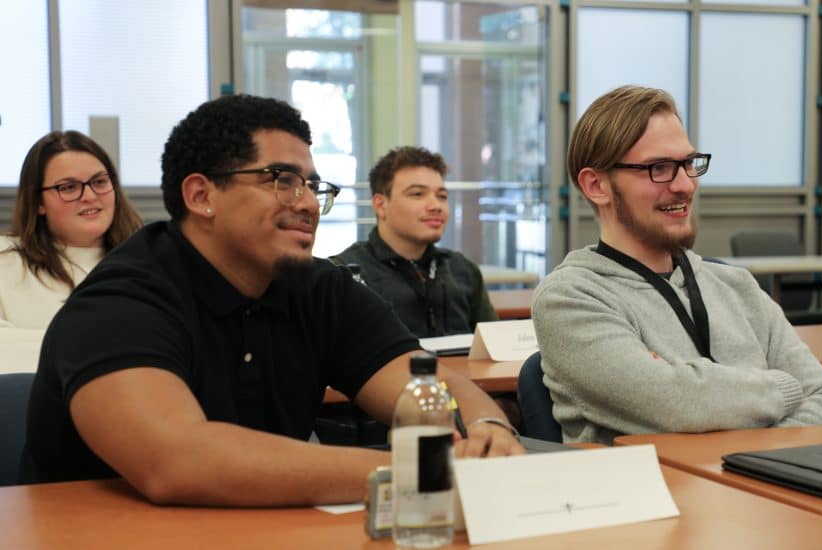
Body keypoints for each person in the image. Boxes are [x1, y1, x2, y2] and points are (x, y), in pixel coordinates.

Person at [21, 95, 523, 505]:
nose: (306, 203)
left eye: (311, 185)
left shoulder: (316, 287)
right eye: (281, 180)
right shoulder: (120, 301)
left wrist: (486, 427)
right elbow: (176, 462)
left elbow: (426, 388)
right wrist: (420, 467)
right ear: (201, 195)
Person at [532, 85, 822, 445]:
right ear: (596, 186)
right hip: (657, 499)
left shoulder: (737, 286)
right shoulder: (569, 298)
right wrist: (785, 386)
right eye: (660, 168)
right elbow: (675, 404)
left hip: (766, 496)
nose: (686, 185)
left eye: (689, 164)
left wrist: (714, 402)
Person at [0, 131, 142, 370]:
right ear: (38, 203)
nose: (89, 196)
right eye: (68, 187)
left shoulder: (149, 260)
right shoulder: (6, 259)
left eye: (99, 182)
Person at [331, 146, 497, 337]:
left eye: (442, 196)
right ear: (380, 205)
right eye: (417, 194)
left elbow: (495, 348)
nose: (436, 206)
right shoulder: (345, 274)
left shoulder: (463, 270)